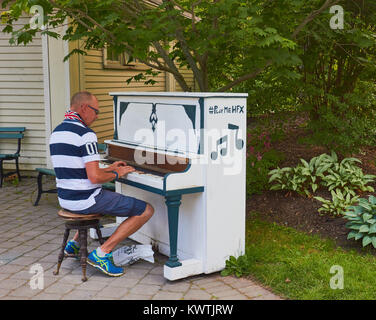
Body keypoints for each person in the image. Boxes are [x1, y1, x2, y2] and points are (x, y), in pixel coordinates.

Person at [49, 91, 154, 277]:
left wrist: (109, 167)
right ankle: (102, 253)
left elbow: (79, 171)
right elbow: (94, 178)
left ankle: (73, 245)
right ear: (84, 108)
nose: (97, 116)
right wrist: (116, 172)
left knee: (104, 196)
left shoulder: (57, 132)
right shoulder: (85, 134)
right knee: (146, 210)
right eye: (96, 112)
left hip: (66, 199)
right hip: (85, 199)